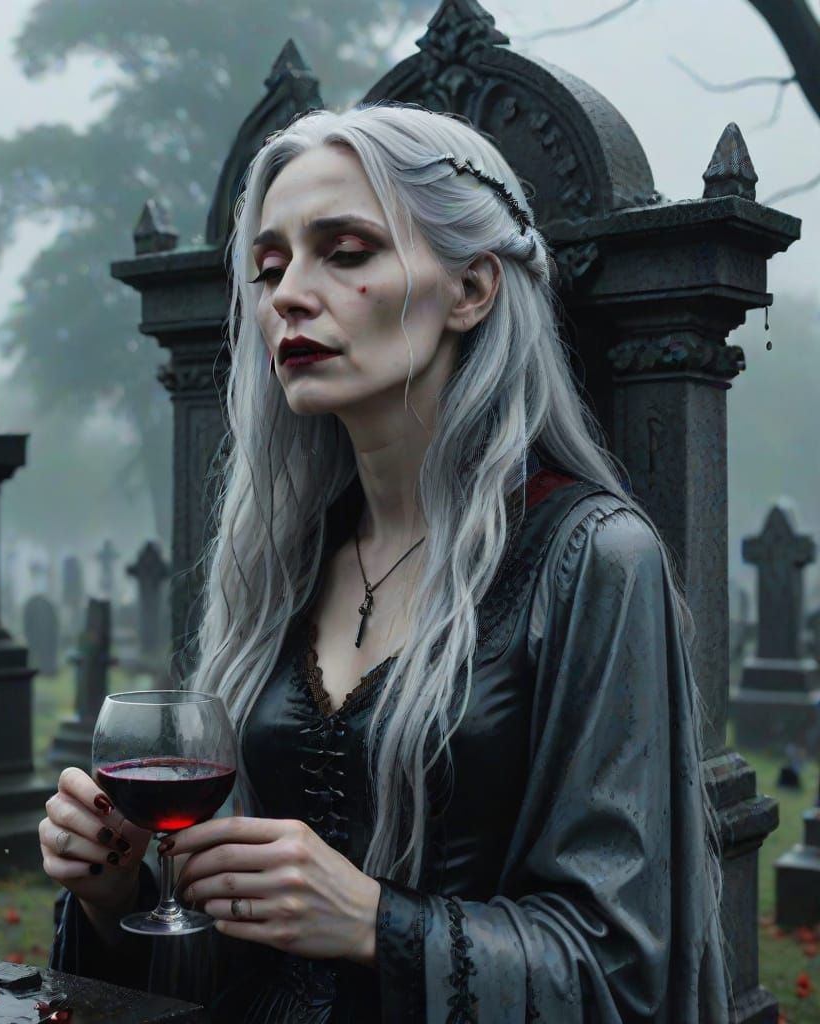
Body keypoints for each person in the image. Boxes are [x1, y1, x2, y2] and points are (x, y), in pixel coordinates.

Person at [41, 101, 731, 1022]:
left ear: (472, 288)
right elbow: (226, 963)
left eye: (347, 250)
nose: (286, 294)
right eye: (269, 266)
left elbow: (623, 969)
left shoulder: (593, 559)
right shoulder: (279, 565)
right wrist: (116, 893)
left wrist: (373, 921)